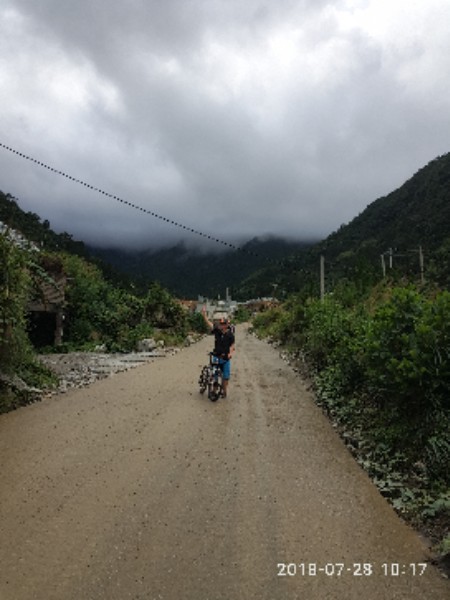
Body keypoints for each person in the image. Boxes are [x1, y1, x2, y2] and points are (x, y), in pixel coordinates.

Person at [201, 307, 235, 398]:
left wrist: (230, 353)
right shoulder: (217, 331)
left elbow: (232, 345)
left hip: (225, 358)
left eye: (224, 324)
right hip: (216, 356)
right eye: (221, 324)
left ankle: (224, 391)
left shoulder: (230, 335)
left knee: (226, 376)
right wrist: (204, 315)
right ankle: (214, 390)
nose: (222, 326)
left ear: (227, 324)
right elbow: (209, 323)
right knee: (215, 374)